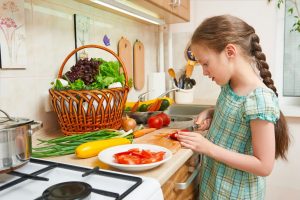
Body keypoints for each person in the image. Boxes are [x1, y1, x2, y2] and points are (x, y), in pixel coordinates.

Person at [177, 15, 290, 200]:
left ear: (230, 52)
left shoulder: (259, 99)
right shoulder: (229, 86)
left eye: (206, 63)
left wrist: (208, 148)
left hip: (236, 195)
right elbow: (236, 113)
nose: (204, 72)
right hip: (214, 188)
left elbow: (264, 166)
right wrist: (211, 112)